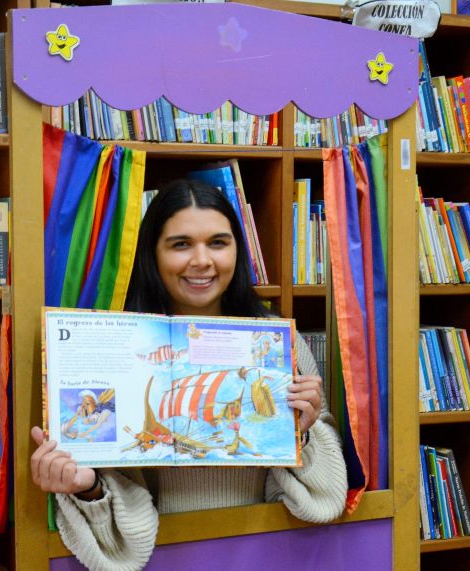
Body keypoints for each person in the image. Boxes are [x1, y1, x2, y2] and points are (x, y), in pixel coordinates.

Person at [30, 179, 348, 570]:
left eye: (218, 242)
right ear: (152, 253)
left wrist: (301, 432)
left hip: (261, 552)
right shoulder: (116, 345)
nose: (202, 260)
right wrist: (88, 488)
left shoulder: (278, 344)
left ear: (237, 249)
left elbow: (326, 500)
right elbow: (120, 527)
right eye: (181, 244)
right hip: (164, 558)